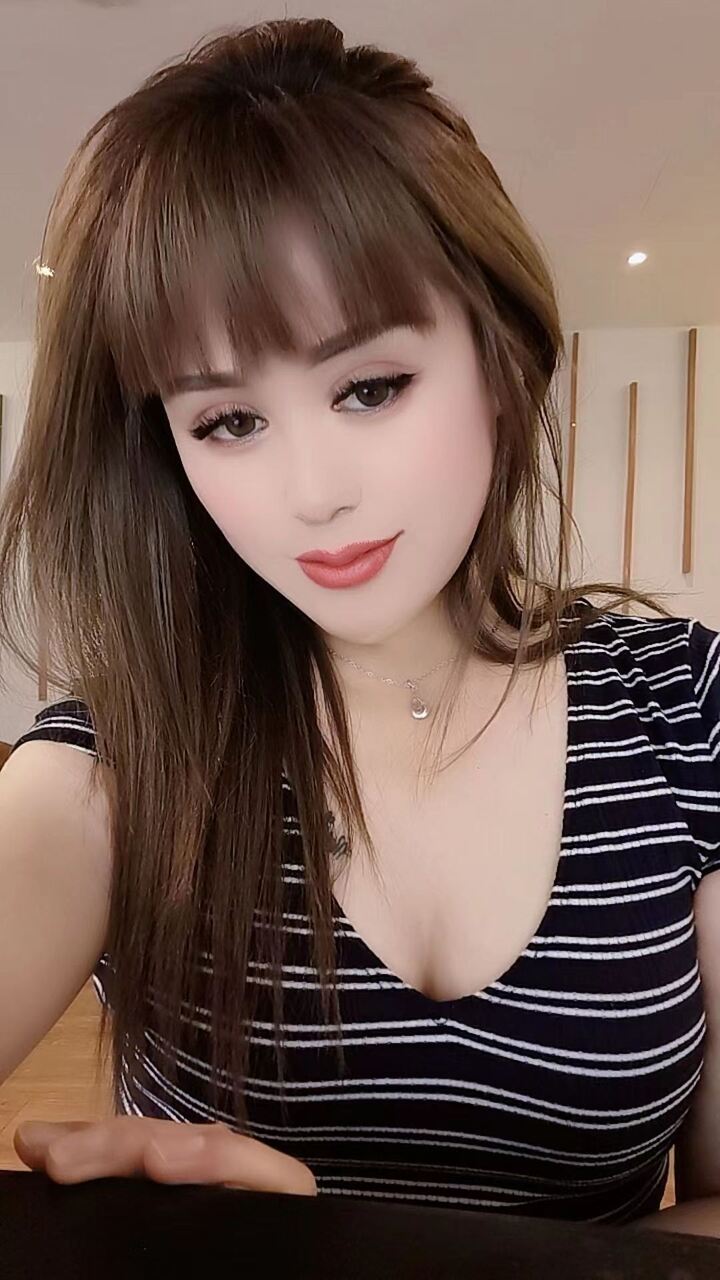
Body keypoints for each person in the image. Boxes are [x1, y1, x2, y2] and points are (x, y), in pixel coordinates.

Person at [0, 16, 719, 1234]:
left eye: (370, 386)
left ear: (500, 356)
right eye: (228, 420)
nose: (312, 492)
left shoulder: (683, 709)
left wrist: (339, 1248)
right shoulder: (115, 757)